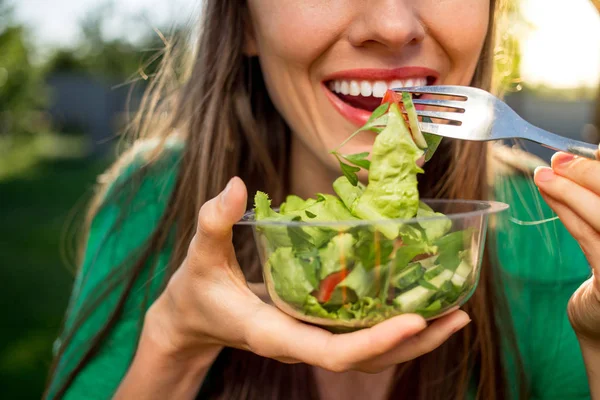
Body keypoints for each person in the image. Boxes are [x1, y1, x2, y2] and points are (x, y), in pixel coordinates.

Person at [45, 1, 600, 399]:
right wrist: (175, 342)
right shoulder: (148, 206)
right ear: (243, 21)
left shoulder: (561, 234)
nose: (391, 24)